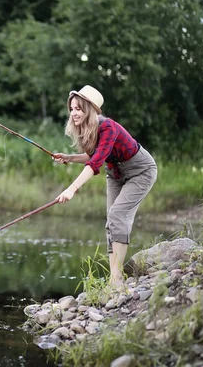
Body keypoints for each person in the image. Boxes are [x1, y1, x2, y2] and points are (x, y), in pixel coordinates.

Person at [53, 85, 157, 288]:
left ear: (90, 110)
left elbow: (94, 164)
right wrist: (68, 158)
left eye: (79, 109)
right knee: (112, 220)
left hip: (141, 171)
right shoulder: (87, 129)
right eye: (72, 108)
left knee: (119, 215)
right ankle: (114, 279)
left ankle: (116, 281)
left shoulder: (108, 127)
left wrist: (72, 188)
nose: (74, 113)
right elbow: (94, 155)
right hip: (115, 174)